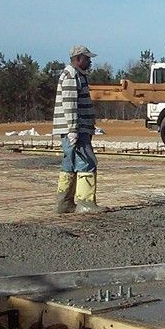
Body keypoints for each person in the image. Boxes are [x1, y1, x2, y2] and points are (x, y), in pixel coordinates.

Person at [53, 45, 104, 214]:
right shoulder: (70, 76)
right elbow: (70, 105)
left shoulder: (77, 75)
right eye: (87, 58)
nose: (90, 61)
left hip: (79, 128)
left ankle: (64, 203)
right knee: (86, 163)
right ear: (78, 58)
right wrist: (73, 129)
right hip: (76, 130)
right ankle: (85, 203)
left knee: (69, 163)